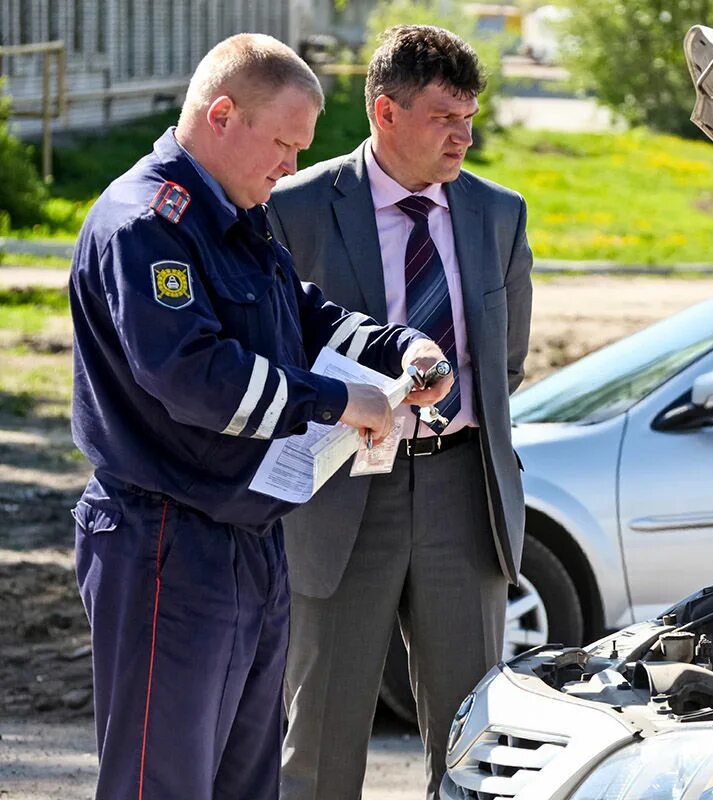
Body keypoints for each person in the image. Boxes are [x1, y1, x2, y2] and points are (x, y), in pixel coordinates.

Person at [69, 33, 451, 800]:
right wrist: (342, 399)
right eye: (282, 143)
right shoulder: (150, 223)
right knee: (163, 781)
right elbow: (195, 377)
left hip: (248, 538)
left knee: (246, 781)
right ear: (221, 115)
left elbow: (300, 316)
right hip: (166, 541)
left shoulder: (236, 213)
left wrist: (400, 350)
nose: (290, 165)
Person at [268, 25, 533, 799]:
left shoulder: (499, 213)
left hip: (463, 493)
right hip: (340, 491)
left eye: (471, 116)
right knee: (320, 731)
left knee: (476, 735)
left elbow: (504, 365)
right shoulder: (297, 208)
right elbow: (282, 352)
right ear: (385, 111)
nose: (466, 135)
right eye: (445, 117)